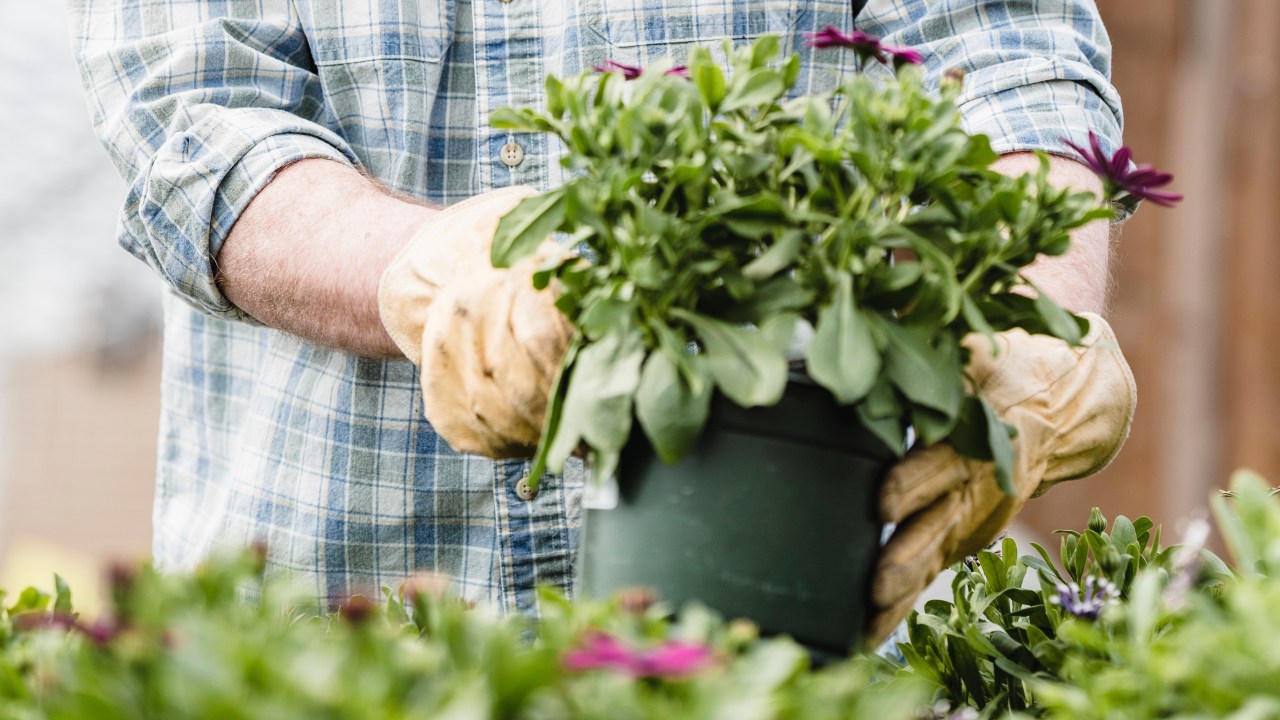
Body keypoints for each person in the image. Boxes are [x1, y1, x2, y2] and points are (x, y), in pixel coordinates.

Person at [68, 0, 1134, 639]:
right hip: (338, 632)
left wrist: (1038, 302)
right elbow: (192, 111)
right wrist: (420, 271)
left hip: (800, 615)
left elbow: (1009, 58)